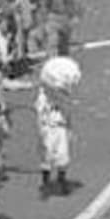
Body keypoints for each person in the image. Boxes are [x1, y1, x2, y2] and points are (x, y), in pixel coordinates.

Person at [36, 56, 78, 198]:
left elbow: (68, 113)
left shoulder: (64, 95)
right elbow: (41, 113)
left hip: (60, 128)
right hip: (48, 128)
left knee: (63, 155)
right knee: (46, 155)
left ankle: (62, 180)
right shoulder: (43, 97)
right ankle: (46, 182)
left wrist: (70, 129)